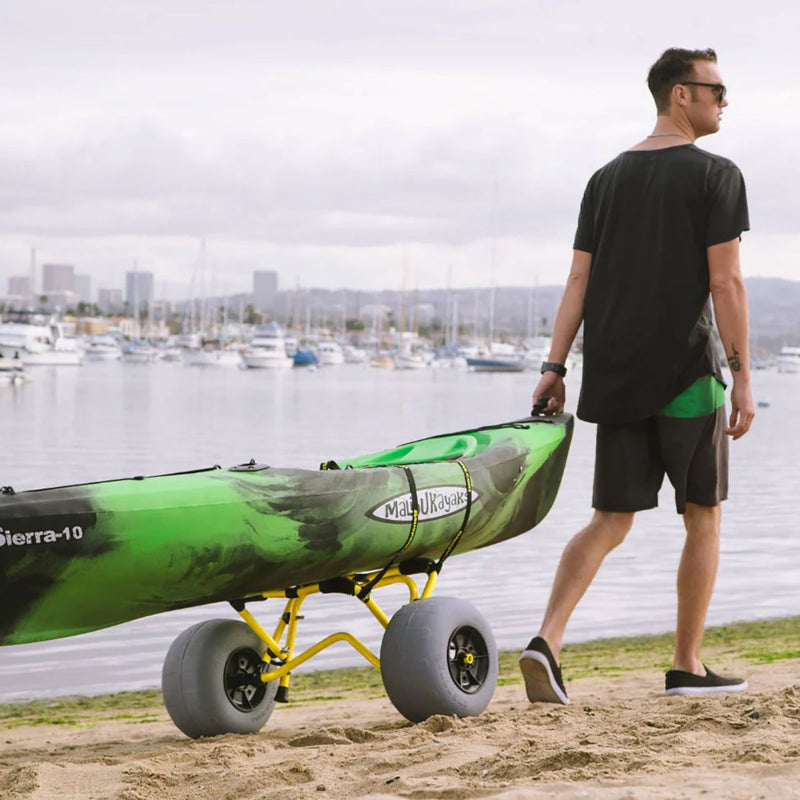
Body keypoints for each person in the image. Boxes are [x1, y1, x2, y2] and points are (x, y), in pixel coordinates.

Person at [519, 47, 755, 704]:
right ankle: (686, 666)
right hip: (687, 374)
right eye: (716, 88)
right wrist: (743, 377)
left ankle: (547, 640)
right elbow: (726, 281)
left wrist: (553, 365)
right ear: (681, 94)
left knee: (609, 519)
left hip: (615, 376)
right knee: (702, 515)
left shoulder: (605, 178)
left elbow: (578, 281)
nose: (724, 100)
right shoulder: (716, 175)